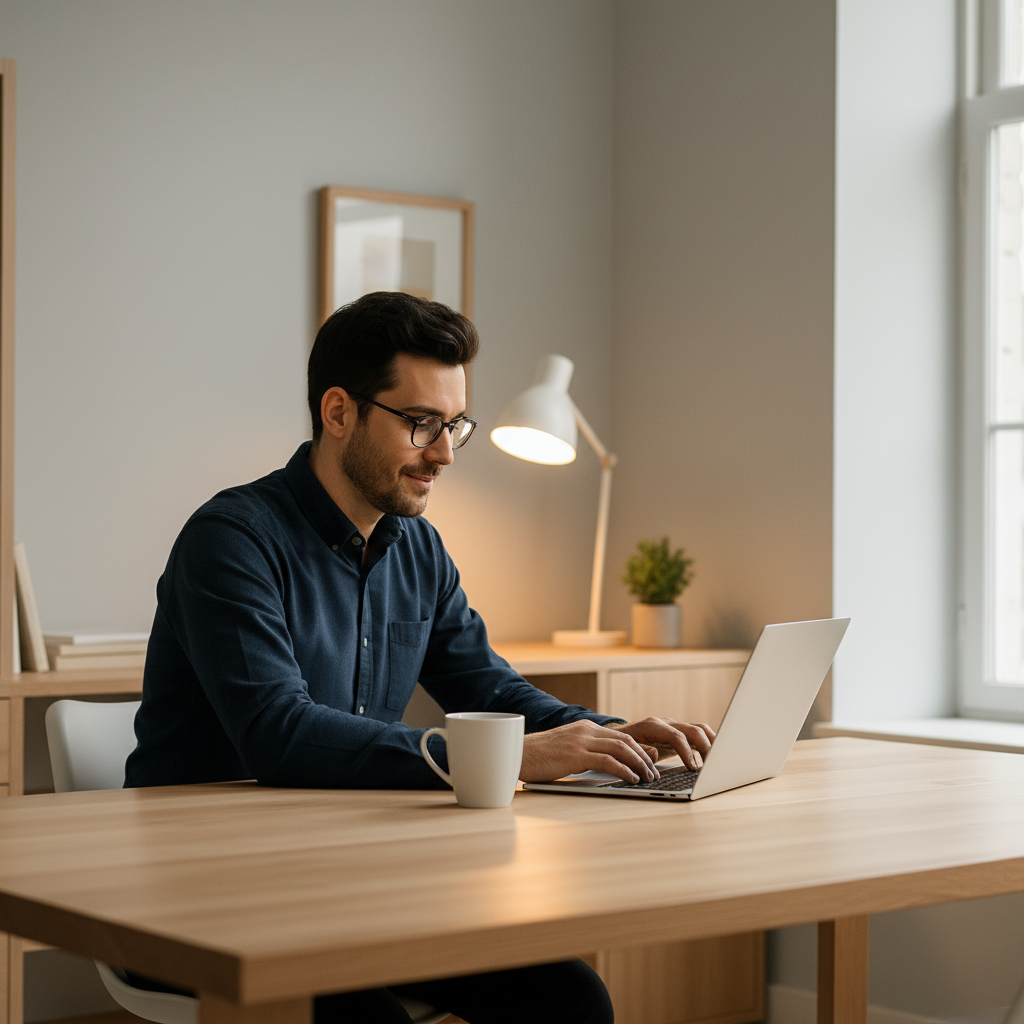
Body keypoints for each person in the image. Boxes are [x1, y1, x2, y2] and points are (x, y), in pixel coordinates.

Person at [126, 290, 715, 1024]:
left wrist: (617, 737)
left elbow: (489, 687)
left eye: (454, 425)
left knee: (570, 997)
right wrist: (507, 759)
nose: (442, 453)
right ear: (339, 412)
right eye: (420, 424)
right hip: (203, 893)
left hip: (344, 878)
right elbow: (276, 733)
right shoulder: (232, 540)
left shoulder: (419, 550)